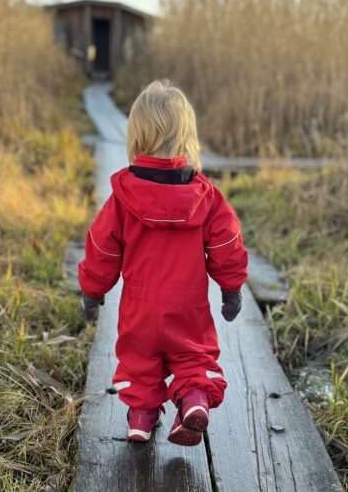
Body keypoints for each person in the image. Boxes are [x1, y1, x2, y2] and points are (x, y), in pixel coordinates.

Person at [78, 79, 248, 445]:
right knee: (192, 357)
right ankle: (194, 399)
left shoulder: (123, 195)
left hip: (139, 308)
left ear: (136, 136)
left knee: (140, 364)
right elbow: (227, 242)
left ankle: (140, 417)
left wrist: (93, 291)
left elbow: (102, 248)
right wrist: (231, 288)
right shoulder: (205, 194)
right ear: (187, 137)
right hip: (188, 306)